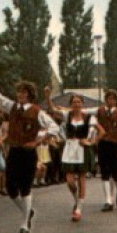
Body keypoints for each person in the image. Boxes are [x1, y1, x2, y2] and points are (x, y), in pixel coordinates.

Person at [0, 81, 60, 233]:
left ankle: (24, 225)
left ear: (29, 94)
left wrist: (38, 140)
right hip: (14, 151)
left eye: (23, 92)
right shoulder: (12, 107)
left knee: (25, 187)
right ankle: (27, 211)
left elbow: (54, 127)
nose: (20, 95)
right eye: (18, 92)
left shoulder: (37, 111)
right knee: (11, 188)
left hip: (28, 152)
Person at [47, 88, 97, 221]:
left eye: (79, 102)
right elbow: (53, 110)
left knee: (81, 178)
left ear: (82, 104)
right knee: (69, 180)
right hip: (69, 148)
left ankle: (79, 208)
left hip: (82, 148)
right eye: (74, 102)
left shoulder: (88, 117)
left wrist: (90, 142)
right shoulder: (67, 115)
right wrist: (47, 97)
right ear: (71, 104)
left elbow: (99, 131)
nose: (76, 104)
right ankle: (76, 199)